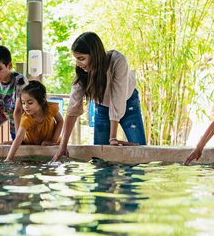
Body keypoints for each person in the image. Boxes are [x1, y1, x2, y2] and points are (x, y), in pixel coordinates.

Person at [51, 32, 146, 162]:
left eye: (82, 58)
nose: (78, 64)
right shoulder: (82, 72)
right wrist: (63, 145)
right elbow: (73, 107)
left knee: (140, 154)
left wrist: (113, 138)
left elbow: (117, 98)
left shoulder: (117, 61)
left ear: (94, 54)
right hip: (102, 107)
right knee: (100, 160)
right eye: (77, 59)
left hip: (128, 104)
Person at [5, 81, 64, 161]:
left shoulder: (50, 109)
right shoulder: (26, 118)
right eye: (23, 103)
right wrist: (8, 159)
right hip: (31, 144)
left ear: (42, 102)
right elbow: (19, 136)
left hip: (50, 144)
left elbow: (60, 121)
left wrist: (54, 140)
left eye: (30, 103)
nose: (26, 107)